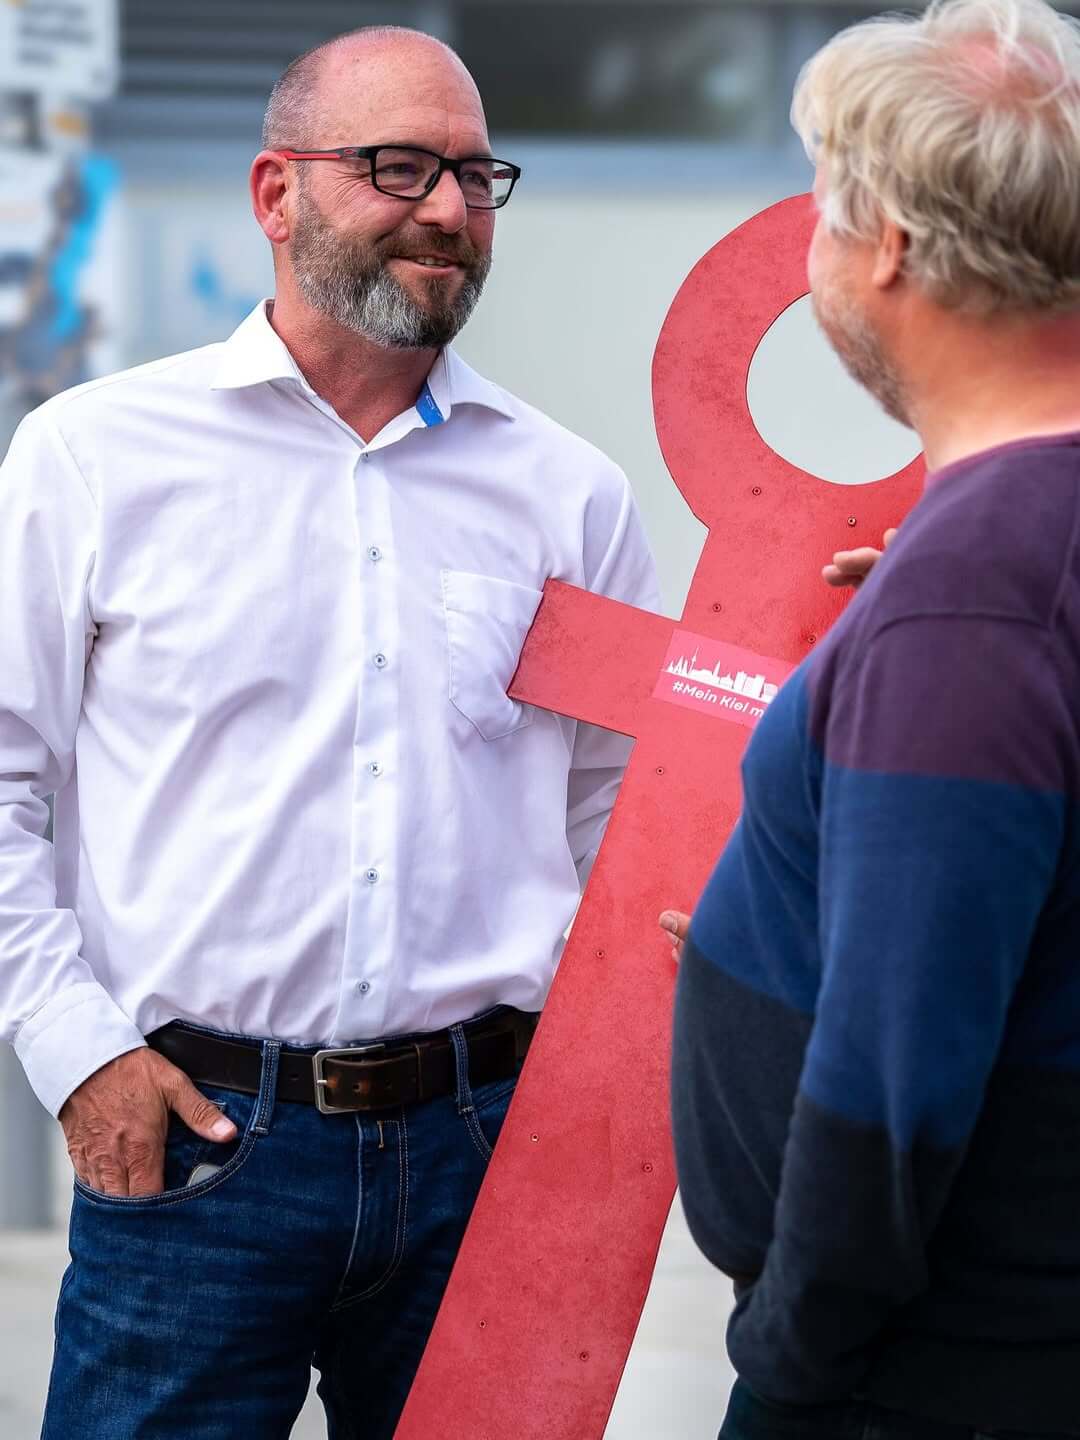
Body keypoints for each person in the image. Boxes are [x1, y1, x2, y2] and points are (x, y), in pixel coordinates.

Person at [0, 25, 658, 1439]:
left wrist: (590, 1097)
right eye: (399, 166)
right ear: (274, 194)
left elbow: (623, 812)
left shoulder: (569, 494)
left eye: (479, 177)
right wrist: (78, 1053)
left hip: (490, 1148)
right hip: (194, 1144)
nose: (448, 212)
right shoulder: (95, 458)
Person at [667, 0, 1080, 1436]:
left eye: (825, 214)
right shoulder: (1002, 555)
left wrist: (795, 1354)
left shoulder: (974, 598)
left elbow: (900, 1065)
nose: (816, 255)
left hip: (921, 1378)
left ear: (891, 243)